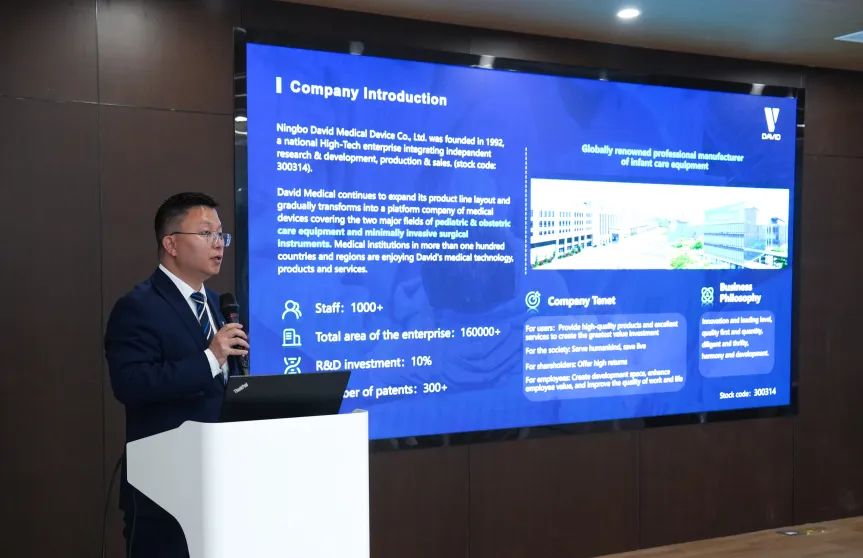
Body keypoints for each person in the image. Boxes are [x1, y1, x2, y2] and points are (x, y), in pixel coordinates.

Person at [105, 192, 249, 558]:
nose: (218, 243)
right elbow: (131, 385)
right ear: (171, 244)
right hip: (163, 495)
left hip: (221, 485)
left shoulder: (219, 304)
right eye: (206, 233)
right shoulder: (138, 306)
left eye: (221, 234)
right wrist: (210, 357)